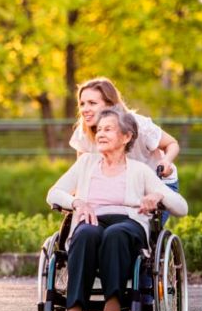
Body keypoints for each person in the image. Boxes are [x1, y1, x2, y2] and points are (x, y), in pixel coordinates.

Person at [46, 107, 188, 311]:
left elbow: (182, 207)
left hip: (128, 223)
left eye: (108, 129)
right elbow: (54, 193)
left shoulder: (140, 171)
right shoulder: (86, 163)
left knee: (115, 234)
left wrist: (160, 196)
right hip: (91, 219)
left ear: (126, 137)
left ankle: (112, 309)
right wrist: (77, 202)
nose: (100, 134)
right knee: (85, 235)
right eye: (99, 129)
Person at [70, 77, 180, 219]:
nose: (85, 109)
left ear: (109, 105)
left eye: (92, 103)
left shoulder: (138, 125)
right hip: (117, 185)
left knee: (141, 232)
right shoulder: (84, 132)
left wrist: (166, 161)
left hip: (154, 185)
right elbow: (83, 170)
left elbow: (172, 143)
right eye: (82, 104)